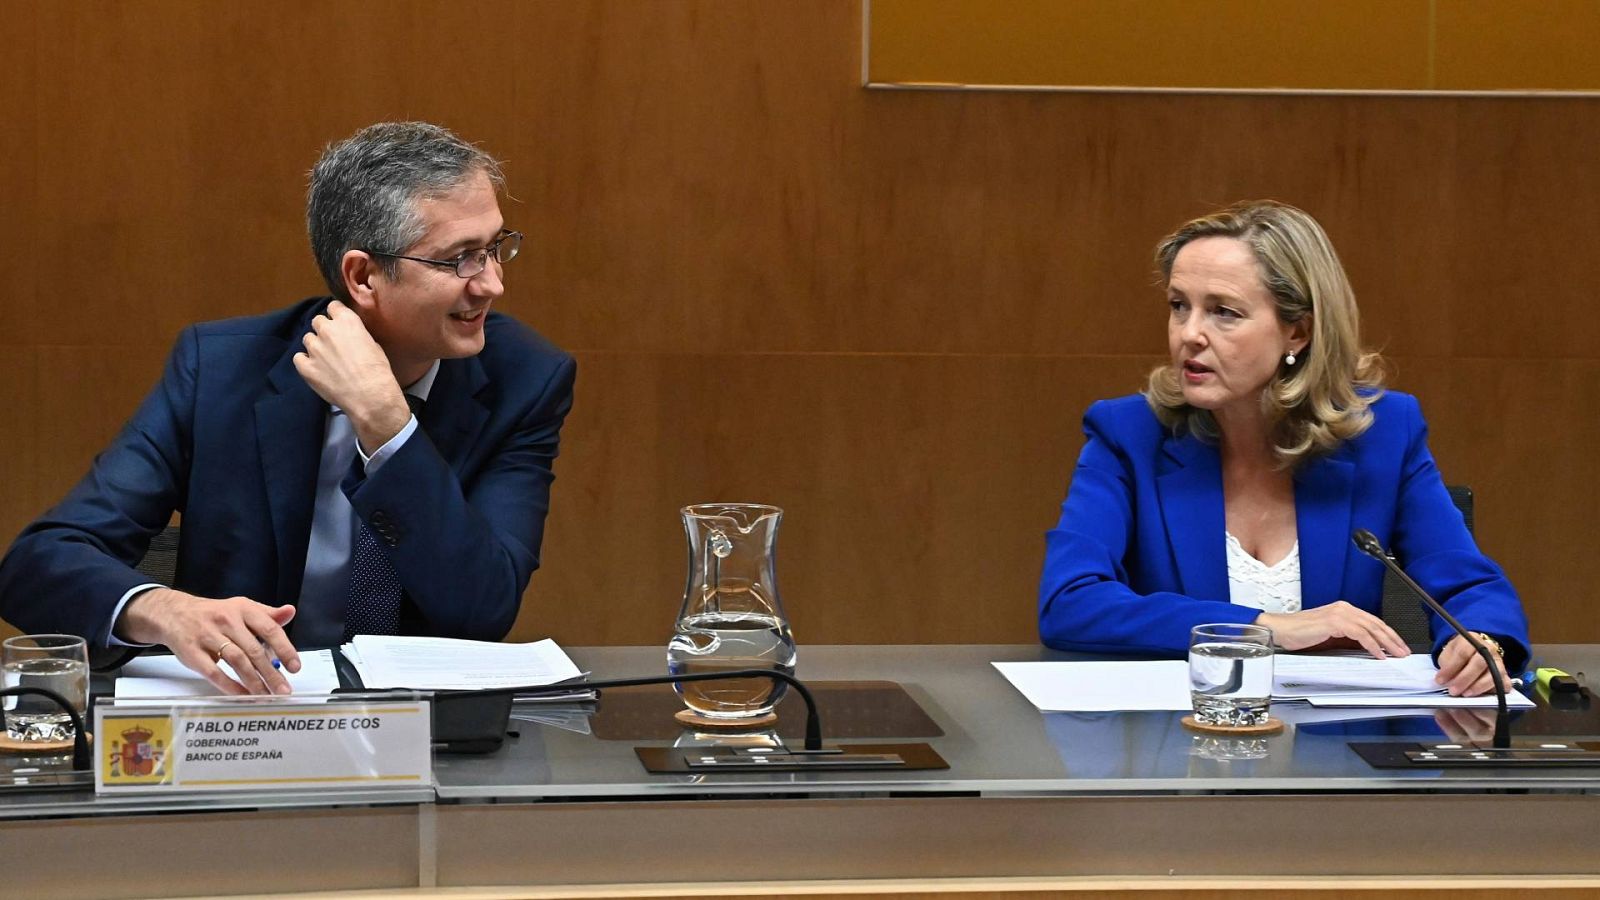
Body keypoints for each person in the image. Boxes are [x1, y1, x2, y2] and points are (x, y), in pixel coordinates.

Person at [0, 122, 576, 696]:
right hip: (251, 725)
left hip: (429, 741)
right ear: (363, 276)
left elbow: (482, 608)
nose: (493, 284)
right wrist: (162, 609)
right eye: (462, 260)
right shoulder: (221, 373)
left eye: (495, 248)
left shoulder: (523, 380)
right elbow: (37, 564)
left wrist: (389, 427)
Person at [1038, 201, 1527, 697]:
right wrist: (1264, 626)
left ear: (1298, 330)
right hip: (1180, 745)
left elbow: (1467, 585)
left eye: (1223, 312)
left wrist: (1483, 642)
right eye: (1179, 305)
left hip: (1335, 754)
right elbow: (1071, 602)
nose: (1189, 335)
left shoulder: (1382, 433)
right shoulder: (1130, 434)